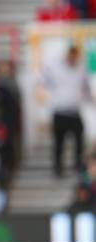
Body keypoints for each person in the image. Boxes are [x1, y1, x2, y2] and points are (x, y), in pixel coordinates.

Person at [42, 44, 90, 176]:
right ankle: (58, 167)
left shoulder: (80, 69)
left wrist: (90, 99)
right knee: (59, 141)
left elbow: (86, 88)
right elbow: (44, 79)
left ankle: (77, 164)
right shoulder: (56, 68)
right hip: (60, 111)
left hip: (74, 111)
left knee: (79, 138)